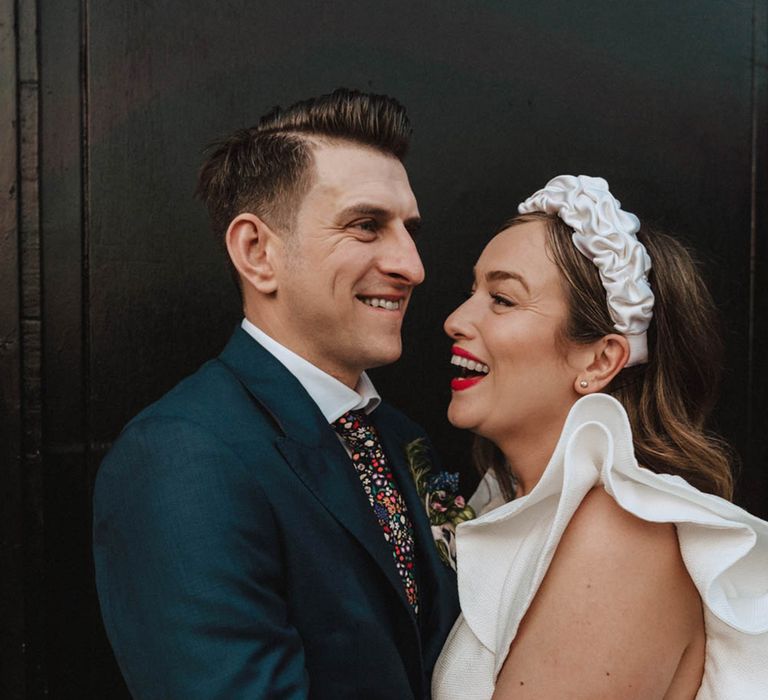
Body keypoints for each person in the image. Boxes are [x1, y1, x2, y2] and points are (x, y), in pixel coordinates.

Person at [93, 89, 459, 700]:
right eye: (367, 225)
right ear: (258, 253)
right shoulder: (181, 457)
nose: (412, 266)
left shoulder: (400, 436)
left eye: (408, 230)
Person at [432, 175, 768, 699]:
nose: (456, 320)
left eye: (501, 299)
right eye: (470, 292)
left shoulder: (618, 537)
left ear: (600, 358)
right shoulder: (510, 501)